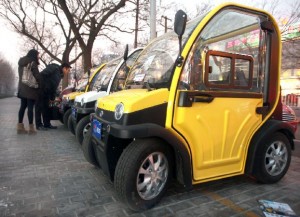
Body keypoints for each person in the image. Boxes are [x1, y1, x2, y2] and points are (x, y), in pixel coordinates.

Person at [35, 63, 71, 130]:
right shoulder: (54, 68)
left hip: (47, 92)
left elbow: (53, 86)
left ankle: (47, 124)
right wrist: (43, 87)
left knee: (46, 108)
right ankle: (39, 125)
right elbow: (42, 75)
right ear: (64, 68)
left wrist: (52, 97)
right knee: (39, 108)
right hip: (41, 90)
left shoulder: (59, 74)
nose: (68, 72)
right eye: (68, 70)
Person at [17, 49, 40, 134]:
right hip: (31, 88)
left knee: (22, 107)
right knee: (30, 108)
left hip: (22, 88)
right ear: (34, 55)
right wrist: (41, 84)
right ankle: (31, 129)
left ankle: (20, 127)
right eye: (38, 55)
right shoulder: (32, 63)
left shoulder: (21, 63)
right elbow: (37, 75)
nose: (38, 57)